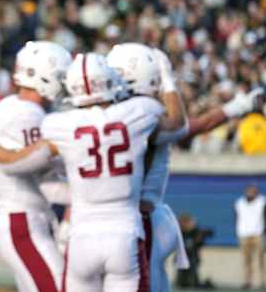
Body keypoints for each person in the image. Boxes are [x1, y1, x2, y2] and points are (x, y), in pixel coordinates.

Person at [107, 43, 264, 292]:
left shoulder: (104, 117)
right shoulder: (144, 113)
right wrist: (169, 81)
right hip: (139, 218)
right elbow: (184, 126)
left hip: (112, 218)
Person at [12, 53, 167, 291]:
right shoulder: (140, 111)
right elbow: (178, 124)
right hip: (123, 232)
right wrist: (167, 77)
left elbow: (20, 163)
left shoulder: (59, 125)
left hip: (81, 236)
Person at [0, 41, 71, 291]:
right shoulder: (27, 112)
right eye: (61, 76)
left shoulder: (19, 108)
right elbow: (25, 166)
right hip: (23, 221)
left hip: (30, 218)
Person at [234, 183, 266, 290]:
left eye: (253, 191)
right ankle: (247, 281)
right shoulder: (239, 203)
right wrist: (239, 231)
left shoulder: (262, 201)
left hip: (258, 234)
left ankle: (261, 281)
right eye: (249, 191)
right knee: (246, 260)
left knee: (259, 259)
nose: (251, 193)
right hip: (243, 234)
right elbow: (237, 217)